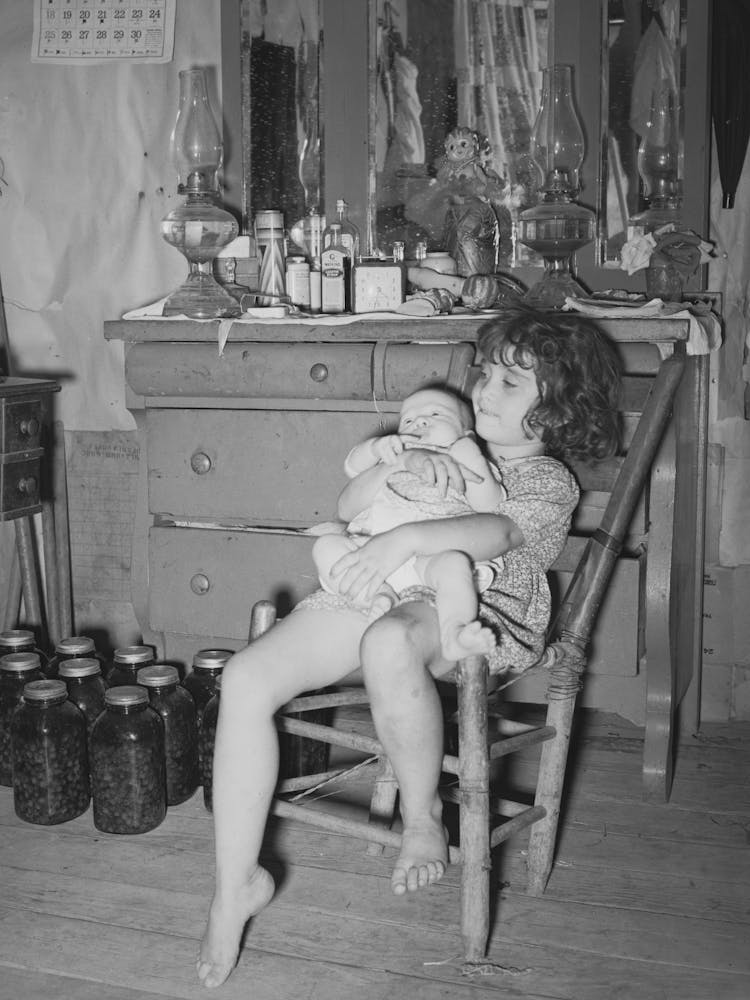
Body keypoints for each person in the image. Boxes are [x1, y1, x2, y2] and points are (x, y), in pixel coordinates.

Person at [197, 306, 620, 989]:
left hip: (470, 610)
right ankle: (233, 886)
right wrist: (390, 464)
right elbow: (348, 502)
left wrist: (407, 539)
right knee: (246, 678)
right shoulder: (431, 439)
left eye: (510, 384)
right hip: (377, 586)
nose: (482, 390)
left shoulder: (545, 481)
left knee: (390, 644)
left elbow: (497, 535)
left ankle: (423, 816)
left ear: (555, 413)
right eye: (485, 373)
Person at [312, 385, 506, 660]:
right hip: (373, 557)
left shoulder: (468, 461)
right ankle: (378, 597)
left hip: (429, 559)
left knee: (454, 565)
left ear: (466, 434)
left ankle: (454, 633)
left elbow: (491, 506)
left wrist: (470, 456)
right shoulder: (391, 459)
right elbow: (352, 468)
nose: (420, 422)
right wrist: (376, 448)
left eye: (436, 414)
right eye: (408, 420)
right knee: (326, 546)